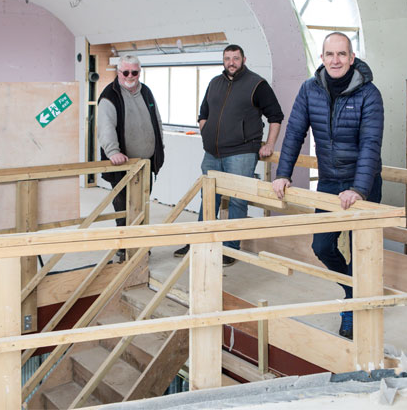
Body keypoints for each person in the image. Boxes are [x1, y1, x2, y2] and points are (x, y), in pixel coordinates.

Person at [272, 32, 384, 339]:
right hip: (330, 182)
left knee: (361, 252)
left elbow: (371, 145)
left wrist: (359, 189)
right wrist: (283, 173)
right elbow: (295, 132)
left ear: (351, 57)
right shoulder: (310, 90)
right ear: (321, 58)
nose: (335, 60)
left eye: (341, 54)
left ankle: (350, 315)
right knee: (321, 245)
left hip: (364, 183)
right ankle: (352, 290)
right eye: (329, 54)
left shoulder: (369, 94)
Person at [174, 44, 284, 265]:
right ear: (223, 60)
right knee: (208, 197)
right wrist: (206, 132)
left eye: (235, 58)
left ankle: (230, 249)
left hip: (241, 152)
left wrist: (269, 144)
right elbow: (203, 113)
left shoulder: (257, 84)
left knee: (237, 200)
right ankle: (199, 242)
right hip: (212, 153)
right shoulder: (215, 82)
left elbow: (276, 116)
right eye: (227, 58)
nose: (231, 62)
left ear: (244, 59)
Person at [98, 54, 164, 261]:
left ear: (139, 72)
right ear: (118, 72)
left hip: (145, 163)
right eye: (125, 72)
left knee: (142, 204)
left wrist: (159, 146)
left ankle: (140, 244)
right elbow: (105, 126)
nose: (130, 76)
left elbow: (157, 120)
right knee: (123, 206)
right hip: (123, 164)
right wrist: (113, 152)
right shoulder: (110, 95)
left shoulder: (146, 92)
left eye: (134, 72)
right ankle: (124, 247)